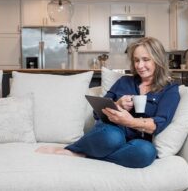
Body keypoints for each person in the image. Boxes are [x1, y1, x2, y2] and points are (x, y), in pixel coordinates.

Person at [36, 37, 180, 168]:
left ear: (158, 59)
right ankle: (79, 149)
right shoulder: (124, 81)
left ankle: (83, 153)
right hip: (112, 131)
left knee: (146, 153)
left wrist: (130, 121)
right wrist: (117, 104)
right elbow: (97, 113)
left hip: (138, 140)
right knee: (112, 138)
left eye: (145, 59)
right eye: (136, 60)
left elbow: (158, 124)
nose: (140, 65)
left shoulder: (169, 89)